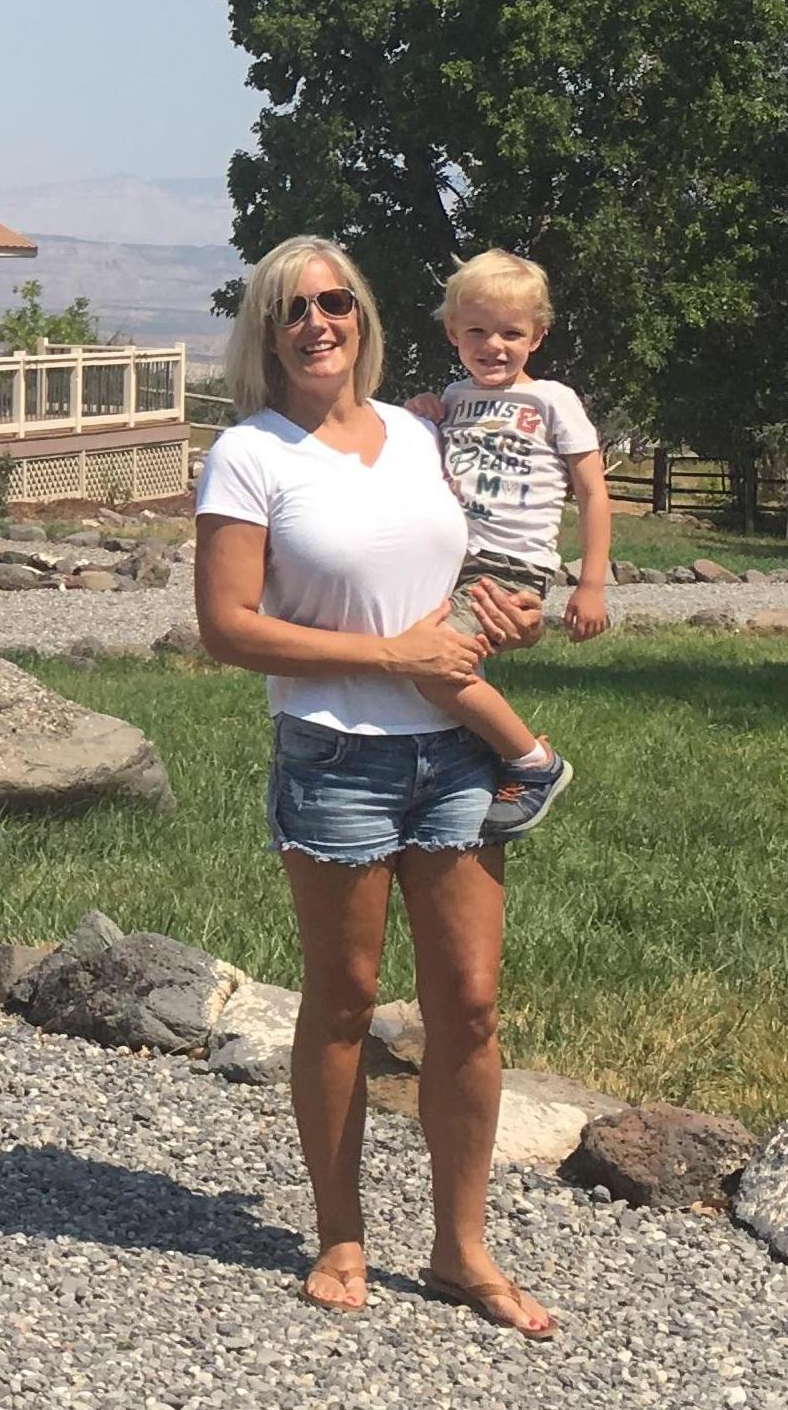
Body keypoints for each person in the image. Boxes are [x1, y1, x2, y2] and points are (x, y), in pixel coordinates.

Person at [192, 235, 556, 1334]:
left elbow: (476, 558)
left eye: (334, 300)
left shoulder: (418, 431)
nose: (316, 320)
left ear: (361, 315)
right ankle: (340, 1229)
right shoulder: (247, 455)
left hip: (455, 754)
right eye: (291, 307)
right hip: (335, 757)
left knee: (470, 1003)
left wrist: (512, 610)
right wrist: (385, 659)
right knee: (344, 999)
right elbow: (227, 628)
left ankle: (459, 1248)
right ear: (266, 330)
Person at [400, 249, 614, 838]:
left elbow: (594, 493)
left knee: (432, 668)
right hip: (451, 562)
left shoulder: (553, 400)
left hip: (510, 566)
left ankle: (534, 764)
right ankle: (487, 759)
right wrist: (424, 414)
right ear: (452, 331)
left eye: (511, 333)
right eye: (477, 331)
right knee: (438, 662)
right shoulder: (454, 398)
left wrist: (590, 583)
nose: (493, 345)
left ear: (537, 337)